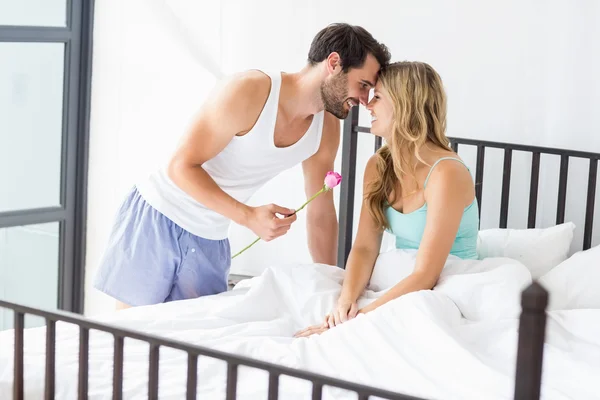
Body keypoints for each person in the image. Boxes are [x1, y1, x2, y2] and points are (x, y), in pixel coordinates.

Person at [93, 23, 391, 309]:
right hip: (158, 217)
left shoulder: (325, 128)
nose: (365, 100)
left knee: (186, 349)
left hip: (211, 237)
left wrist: (330, 285)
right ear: (334, 62)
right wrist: (248, 217)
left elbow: (321, 212)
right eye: (362, 85)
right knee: (128, 339)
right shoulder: (250, 90)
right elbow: (180, 166)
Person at [295, 61, 479, 337]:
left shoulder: (446, 173)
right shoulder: (378, 166)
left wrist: (358, 321)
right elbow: (365, 248)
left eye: (377, 97)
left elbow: (426, 275)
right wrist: (345, 304)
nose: (367, 105)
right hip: (404, 280)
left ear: (406, 105)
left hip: (445, 285)